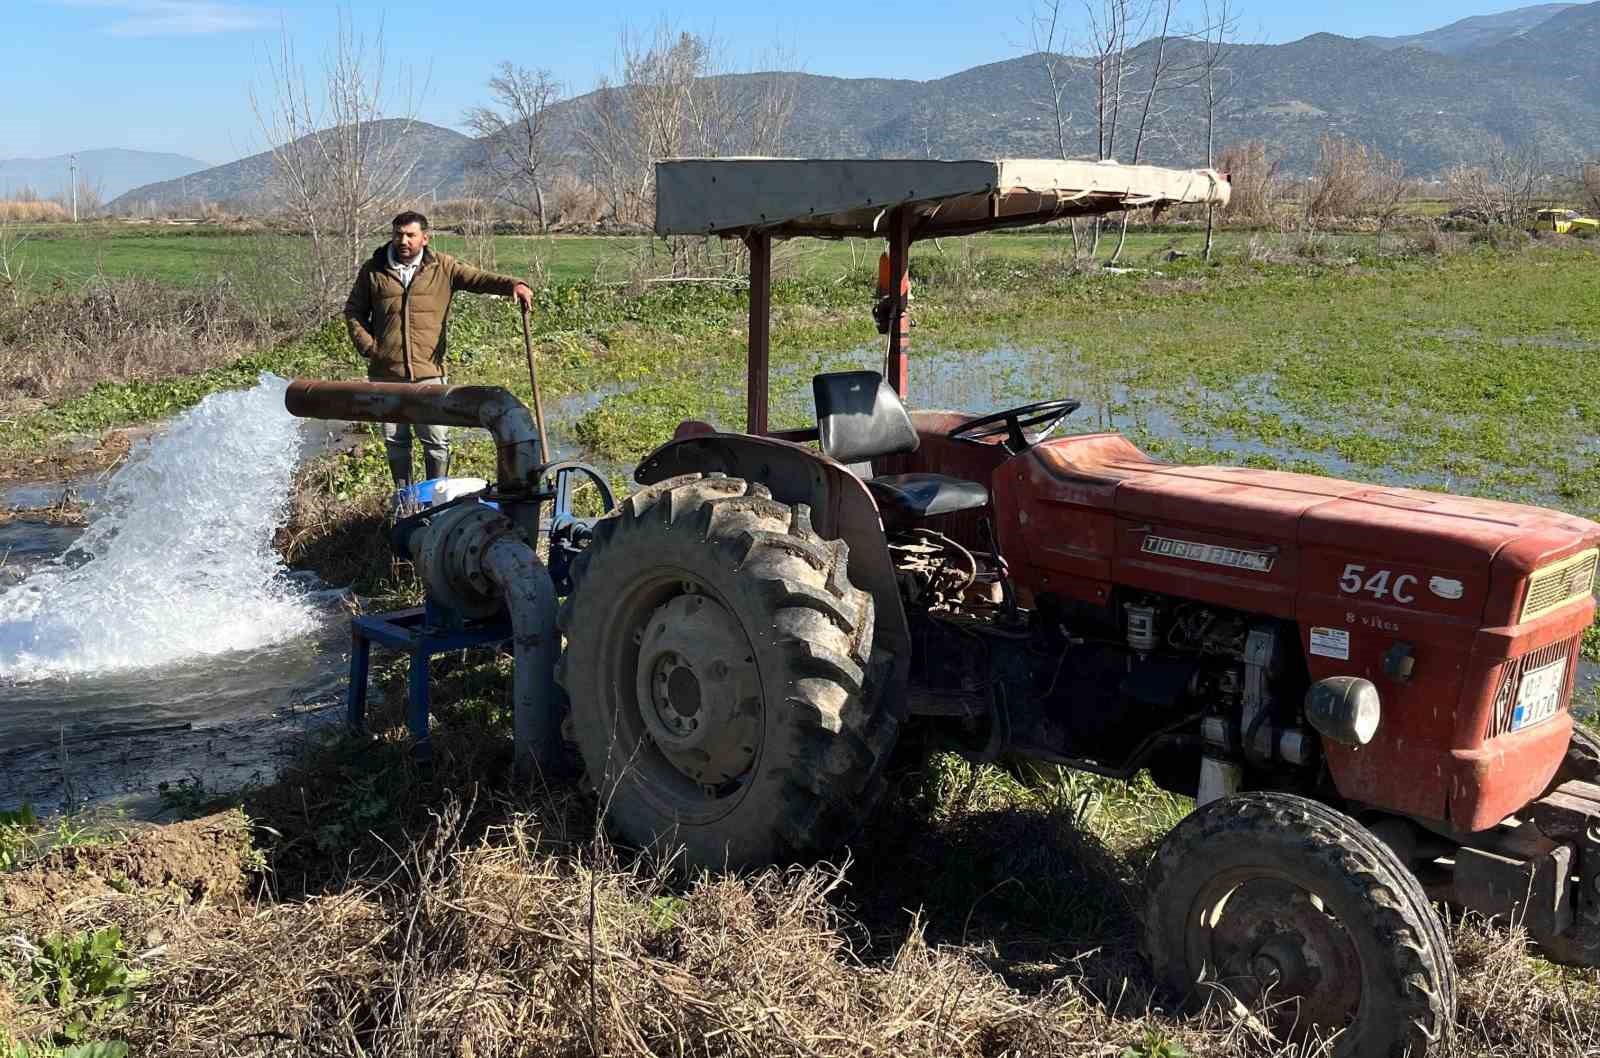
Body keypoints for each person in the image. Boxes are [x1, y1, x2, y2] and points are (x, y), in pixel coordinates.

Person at [344, 210, 536, 489]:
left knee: (435, 441)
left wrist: (513, 286)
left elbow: (478, 279)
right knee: (396, 442)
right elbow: (353, 311)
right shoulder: (373, 270)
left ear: (425, 238)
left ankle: (436, 497)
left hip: (428, 373)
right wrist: (369, 346)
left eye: (410, 235)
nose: (404, 240)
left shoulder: (443, 267)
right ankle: (405, 500)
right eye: (398, 234)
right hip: (386, 374)